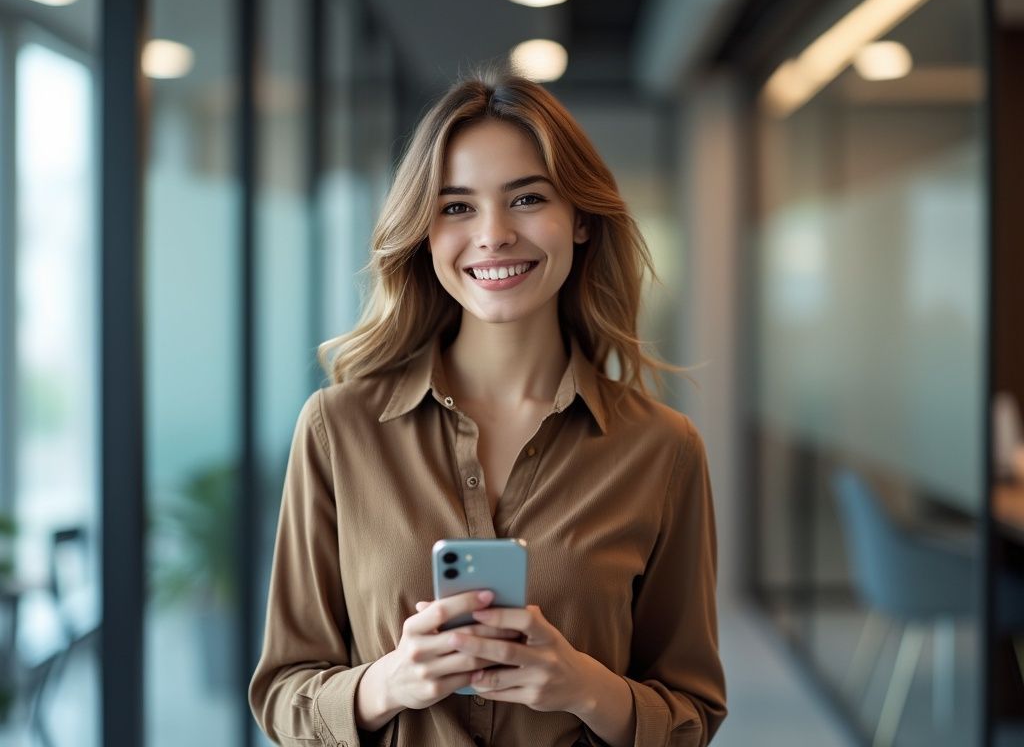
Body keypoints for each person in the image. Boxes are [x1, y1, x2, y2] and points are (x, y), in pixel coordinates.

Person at [249, 70, 727, 747]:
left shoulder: (663, 448)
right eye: (456, 207)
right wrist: (387, 683)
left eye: (527, 198)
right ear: (424, 231)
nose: (494, 234)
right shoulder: (338, 430)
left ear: (581, 219)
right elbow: (283, 695)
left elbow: (691, 715)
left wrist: (584, 687)